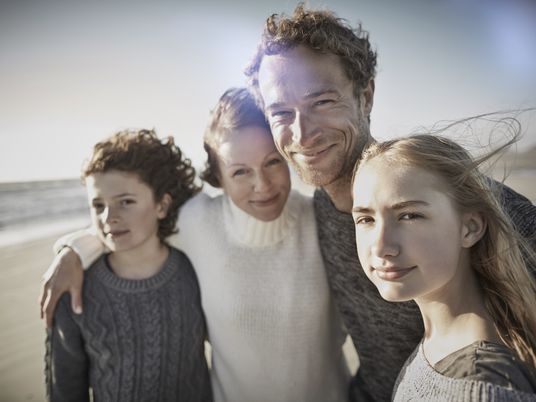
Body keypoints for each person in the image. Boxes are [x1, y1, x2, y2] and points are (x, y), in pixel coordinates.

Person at [243, 4, 536, 401]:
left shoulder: (454, 200)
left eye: (323, 102)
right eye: (281, 113)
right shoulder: (320, 210)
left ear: (365, 96)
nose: (303, 133)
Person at [41, 88, 350, 402]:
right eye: (240, 171)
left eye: (272, 162)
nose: (262, 185)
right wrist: (73, 251)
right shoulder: (197, 222)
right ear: (218, 176)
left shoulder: (320, 219)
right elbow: (126, 223)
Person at [351, 133, 536, 400]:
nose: (380, 247)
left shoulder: (483, 385)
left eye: (409, 215)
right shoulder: (439, 341)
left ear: (470, 228)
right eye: (366, 219)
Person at [45, 129, 212, 401]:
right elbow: (64, 388)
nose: (109, 217)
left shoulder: (193, 271)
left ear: (162, 205)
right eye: (98, 205)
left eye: (126, 202)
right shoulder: (74, 289)